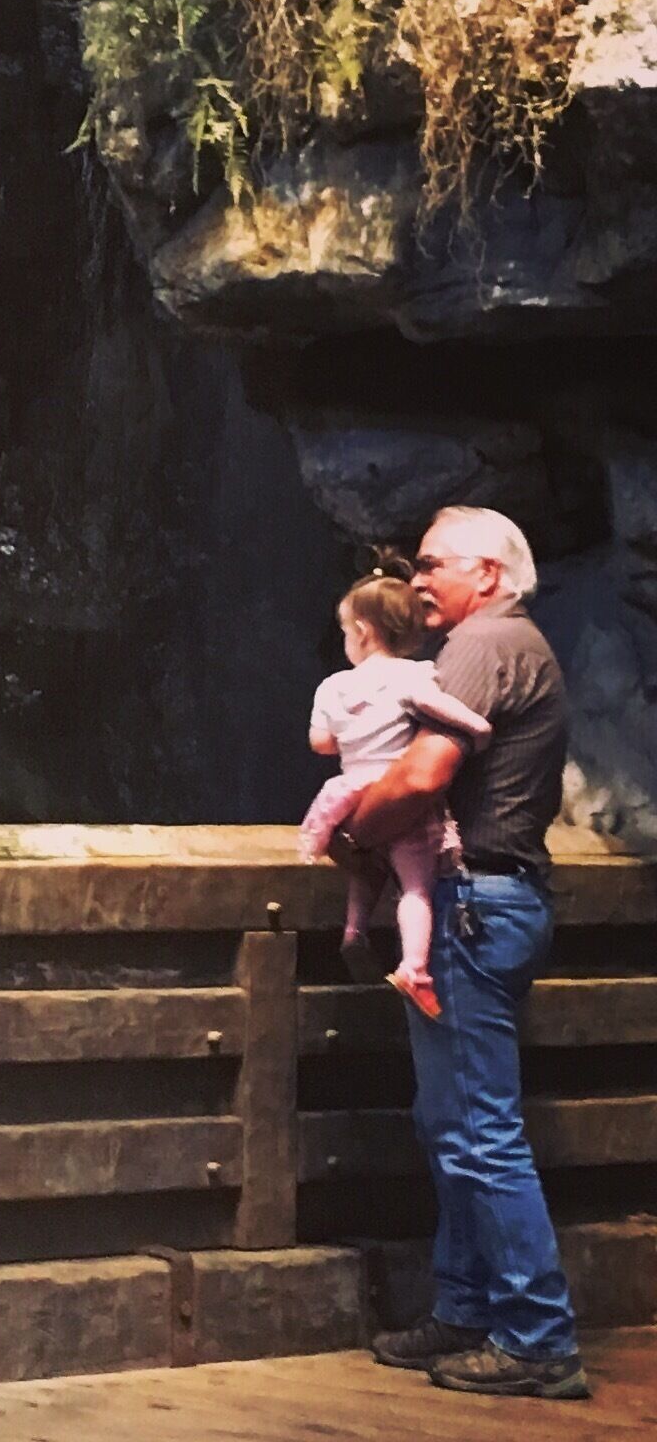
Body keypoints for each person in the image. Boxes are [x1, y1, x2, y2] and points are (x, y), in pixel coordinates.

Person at [340, 506, 588, 1401]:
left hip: (475, 903)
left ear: (488, 574)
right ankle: (471, 1308)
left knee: (480, 1131)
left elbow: (422, 774)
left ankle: (536, 1337)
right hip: (487, 902)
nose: (416, 582)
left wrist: (355, 838)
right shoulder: (511, 644)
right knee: (451, 1124)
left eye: (434, 564)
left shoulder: (484, 645)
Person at [300, 565, 491, 1019]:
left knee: (365, 868)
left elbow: (321, 743)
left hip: (351, 795)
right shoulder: (412, 676)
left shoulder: (333, 686)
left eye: (345, 631)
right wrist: (478, 729)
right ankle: (414, 967)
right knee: (416, 890)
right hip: (397, 795)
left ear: (362, 631)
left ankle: (354, 931)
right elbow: (435, 707)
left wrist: (352, 732)